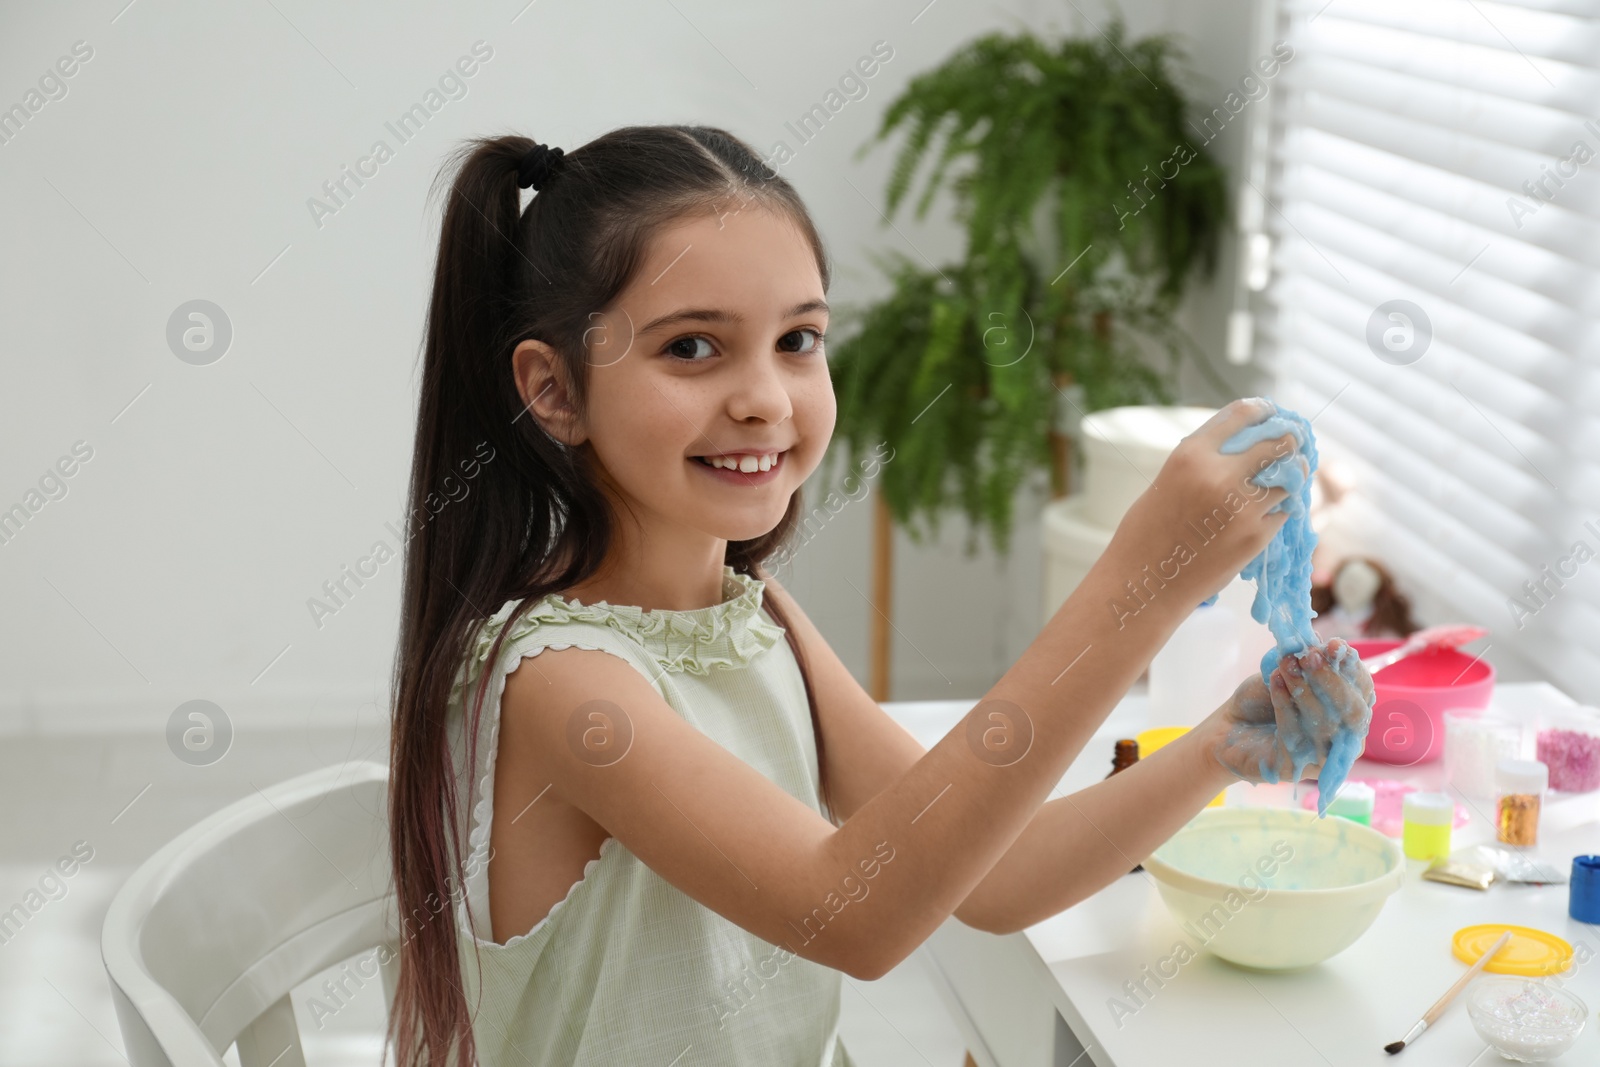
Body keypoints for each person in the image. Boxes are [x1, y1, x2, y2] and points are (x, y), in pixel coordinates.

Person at [384, 125, 1375, 1067]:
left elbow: (991, 875)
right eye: (692, 347)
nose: (764, 396)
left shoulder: (754, 612)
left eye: (798, 340)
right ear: (553, 390)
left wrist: (1218, 747)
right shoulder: (567, 684)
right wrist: (1143, 584)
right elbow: (852, 915)